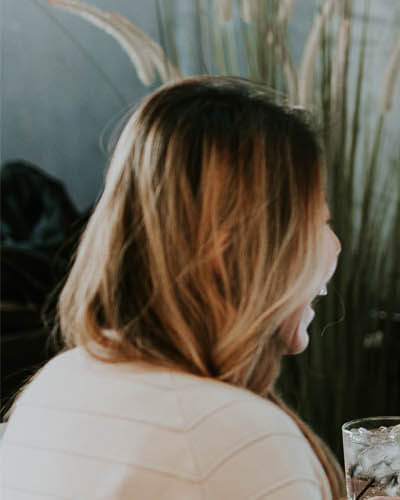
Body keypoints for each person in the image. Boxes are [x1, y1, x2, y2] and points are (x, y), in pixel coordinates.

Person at [0, 77, 343, 498]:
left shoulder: (49, 390)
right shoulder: (240, 445)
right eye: (319, 223)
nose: (334, 245)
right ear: (230, 251)